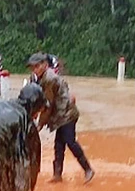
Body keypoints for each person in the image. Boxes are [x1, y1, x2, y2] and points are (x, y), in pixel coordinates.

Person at [27, 53, 94, 184]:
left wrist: (40, 124)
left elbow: (48, 105)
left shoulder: (49, 79)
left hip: (67, 114)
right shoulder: (39, 79)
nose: (35, 69)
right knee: (59, 145)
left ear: (45, 65)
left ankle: (88, 169)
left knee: (70, 141)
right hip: (60, 115)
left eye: (37, 66)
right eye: (32, 67)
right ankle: (57, 175)